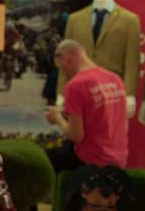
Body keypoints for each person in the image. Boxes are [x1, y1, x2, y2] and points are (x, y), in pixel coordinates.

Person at [45, 38, 129, 171]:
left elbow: (76, 136)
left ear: (67, 60)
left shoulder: (75, 86)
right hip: (119, 158)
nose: (65, 74)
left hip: (92, 159)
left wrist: (57, 119)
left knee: (41, 160)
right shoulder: (115, 79)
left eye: (62, 68)